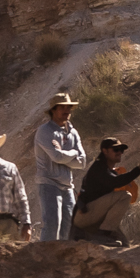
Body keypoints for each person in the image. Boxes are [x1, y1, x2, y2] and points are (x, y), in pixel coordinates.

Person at [30, 92, 87, 242]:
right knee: (52, 225)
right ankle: (44, 256)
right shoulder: (45, 131)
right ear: (53, 110)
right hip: (49, 183)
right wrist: (73, 153)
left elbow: (82, 162)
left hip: (67, 186)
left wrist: (64, 154)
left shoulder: (73, 132)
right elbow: (57, 157)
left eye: (69, 107)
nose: (66, 110)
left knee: (69, 227)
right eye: (62, 107)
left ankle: (63, 257)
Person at [71, 139, 140, 244]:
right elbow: (116, 182)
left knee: (124, 244)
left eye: (121, 150)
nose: (120, 152)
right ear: (105, 151)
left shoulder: (108, 170)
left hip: (92, 216)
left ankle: (102, 234)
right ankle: (102, 235)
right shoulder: (99, 167)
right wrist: (139, 169)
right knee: (125, 196)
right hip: (84, 216)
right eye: (116, 149)